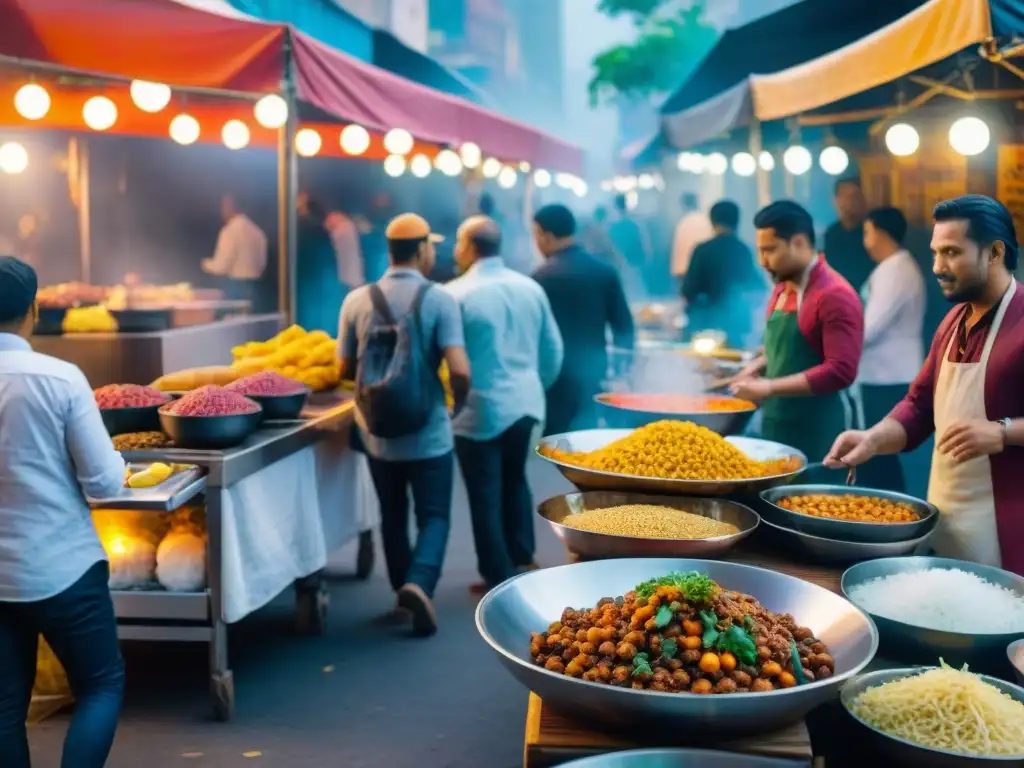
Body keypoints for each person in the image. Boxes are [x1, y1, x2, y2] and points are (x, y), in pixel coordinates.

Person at [826, 195, 1024, 573]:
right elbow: (919, 407)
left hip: (1011, 534)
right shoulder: (952, 321)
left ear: (995, 252)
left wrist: (1003, 432)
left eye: (951, 252)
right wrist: (872, 439)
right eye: (935, 253)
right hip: (947, 518)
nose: (937, 266)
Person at [0, 256, 127, 767]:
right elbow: (103, 482)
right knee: (100, 685)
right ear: (33, 310)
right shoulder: (60, 378)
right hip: (64, 569)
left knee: (5, 707)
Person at [337, 214, 470, 635]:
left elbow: (342, 367)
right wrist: (458, 403)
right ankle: (420, 582)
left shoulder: (356, 300)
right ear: (421, 250)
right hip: (428, 430)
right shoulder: (439, 300)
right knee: (434, 515)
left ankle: (401, 590)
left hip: (376, 433)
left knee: (392, 512)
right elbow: (460, 369)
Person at [445, 216, 564, 592]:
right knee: (515, 480)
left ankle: (497, 576)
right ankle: (523, 556)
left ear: (467, 246)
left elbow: (449, 361)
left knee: (483, 492)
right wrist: (533, 385)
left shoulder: (454, 294)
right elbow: (553, 351)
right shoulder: (530, 288)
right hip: (526, 403)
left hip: (479, 406)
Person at [729, 201, 863, 482]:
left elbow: (841, 371)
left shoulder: (834, 294)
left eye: (770, 250)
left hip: (819, 432)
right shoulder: (781, 289)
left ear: (800, 242)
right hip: (777, 424)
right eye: (760, 250)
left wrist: (768, 386)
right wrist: (757, 367)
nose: (762, 261)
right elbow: (784, 349)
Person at [532, 204, 634, 435]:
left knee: (555, 442)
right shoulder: (603, 271)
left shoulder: (540, 277)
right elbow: (624, 327)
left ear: (545, 235)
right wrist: (622, 372)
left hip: (553, 376)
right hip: (593, 372)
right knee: (587, 438)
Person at [855, 206, 926, 492]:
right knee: (880, 454)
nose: (865, 241)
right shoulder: (892, 267)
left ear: (880, 232)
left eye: (867, 232)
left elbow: (869, 328)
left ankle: (888, 514)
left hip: (889, 377)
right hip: (882, 374)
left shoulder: (896, 269)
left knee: (881, 454)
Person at [682, 200, 765, 349]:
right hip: (736, 330)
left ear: (712, 221)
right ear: (737, 222)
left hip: (704, 327)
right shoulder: (742, 250)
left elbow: (688, 290)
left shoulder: (702, 250)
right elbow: (756, 287)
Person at [202, 195, 268, 309]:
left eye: (223, 206)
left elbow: (221, 267)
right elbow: (262, 264)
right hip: (257, 290)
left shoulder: (230, 231)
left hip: (236, 289)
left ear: (230, 206)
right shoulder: (257, 232)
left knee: (235, 324)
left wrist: (206, 264)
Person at [296, 193, 343, 334]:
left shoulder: (302, 227)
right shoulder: (320, 229)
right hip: (319, 287)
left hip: (308, 286)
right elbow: (331, 260)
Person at [823, 178, 874, 294]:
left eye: (854, 197)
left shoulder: (871, 232)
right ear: (835, 201)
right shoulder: (831, 234)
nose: (849, 202)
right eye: (844, 197)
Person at [608, 193, 652, 288]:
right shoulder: (635, 223)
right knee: (636, 289)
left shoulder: (612, 226)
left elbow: (611, 245)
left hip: (620, 263)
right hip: (635, 262)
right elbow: (643, 242)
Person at [671, 192, 713, 281]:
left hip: (685, 270)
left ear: (683, 205)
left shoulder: (683, 223)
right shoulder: (706, 220)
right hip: (705, 269)